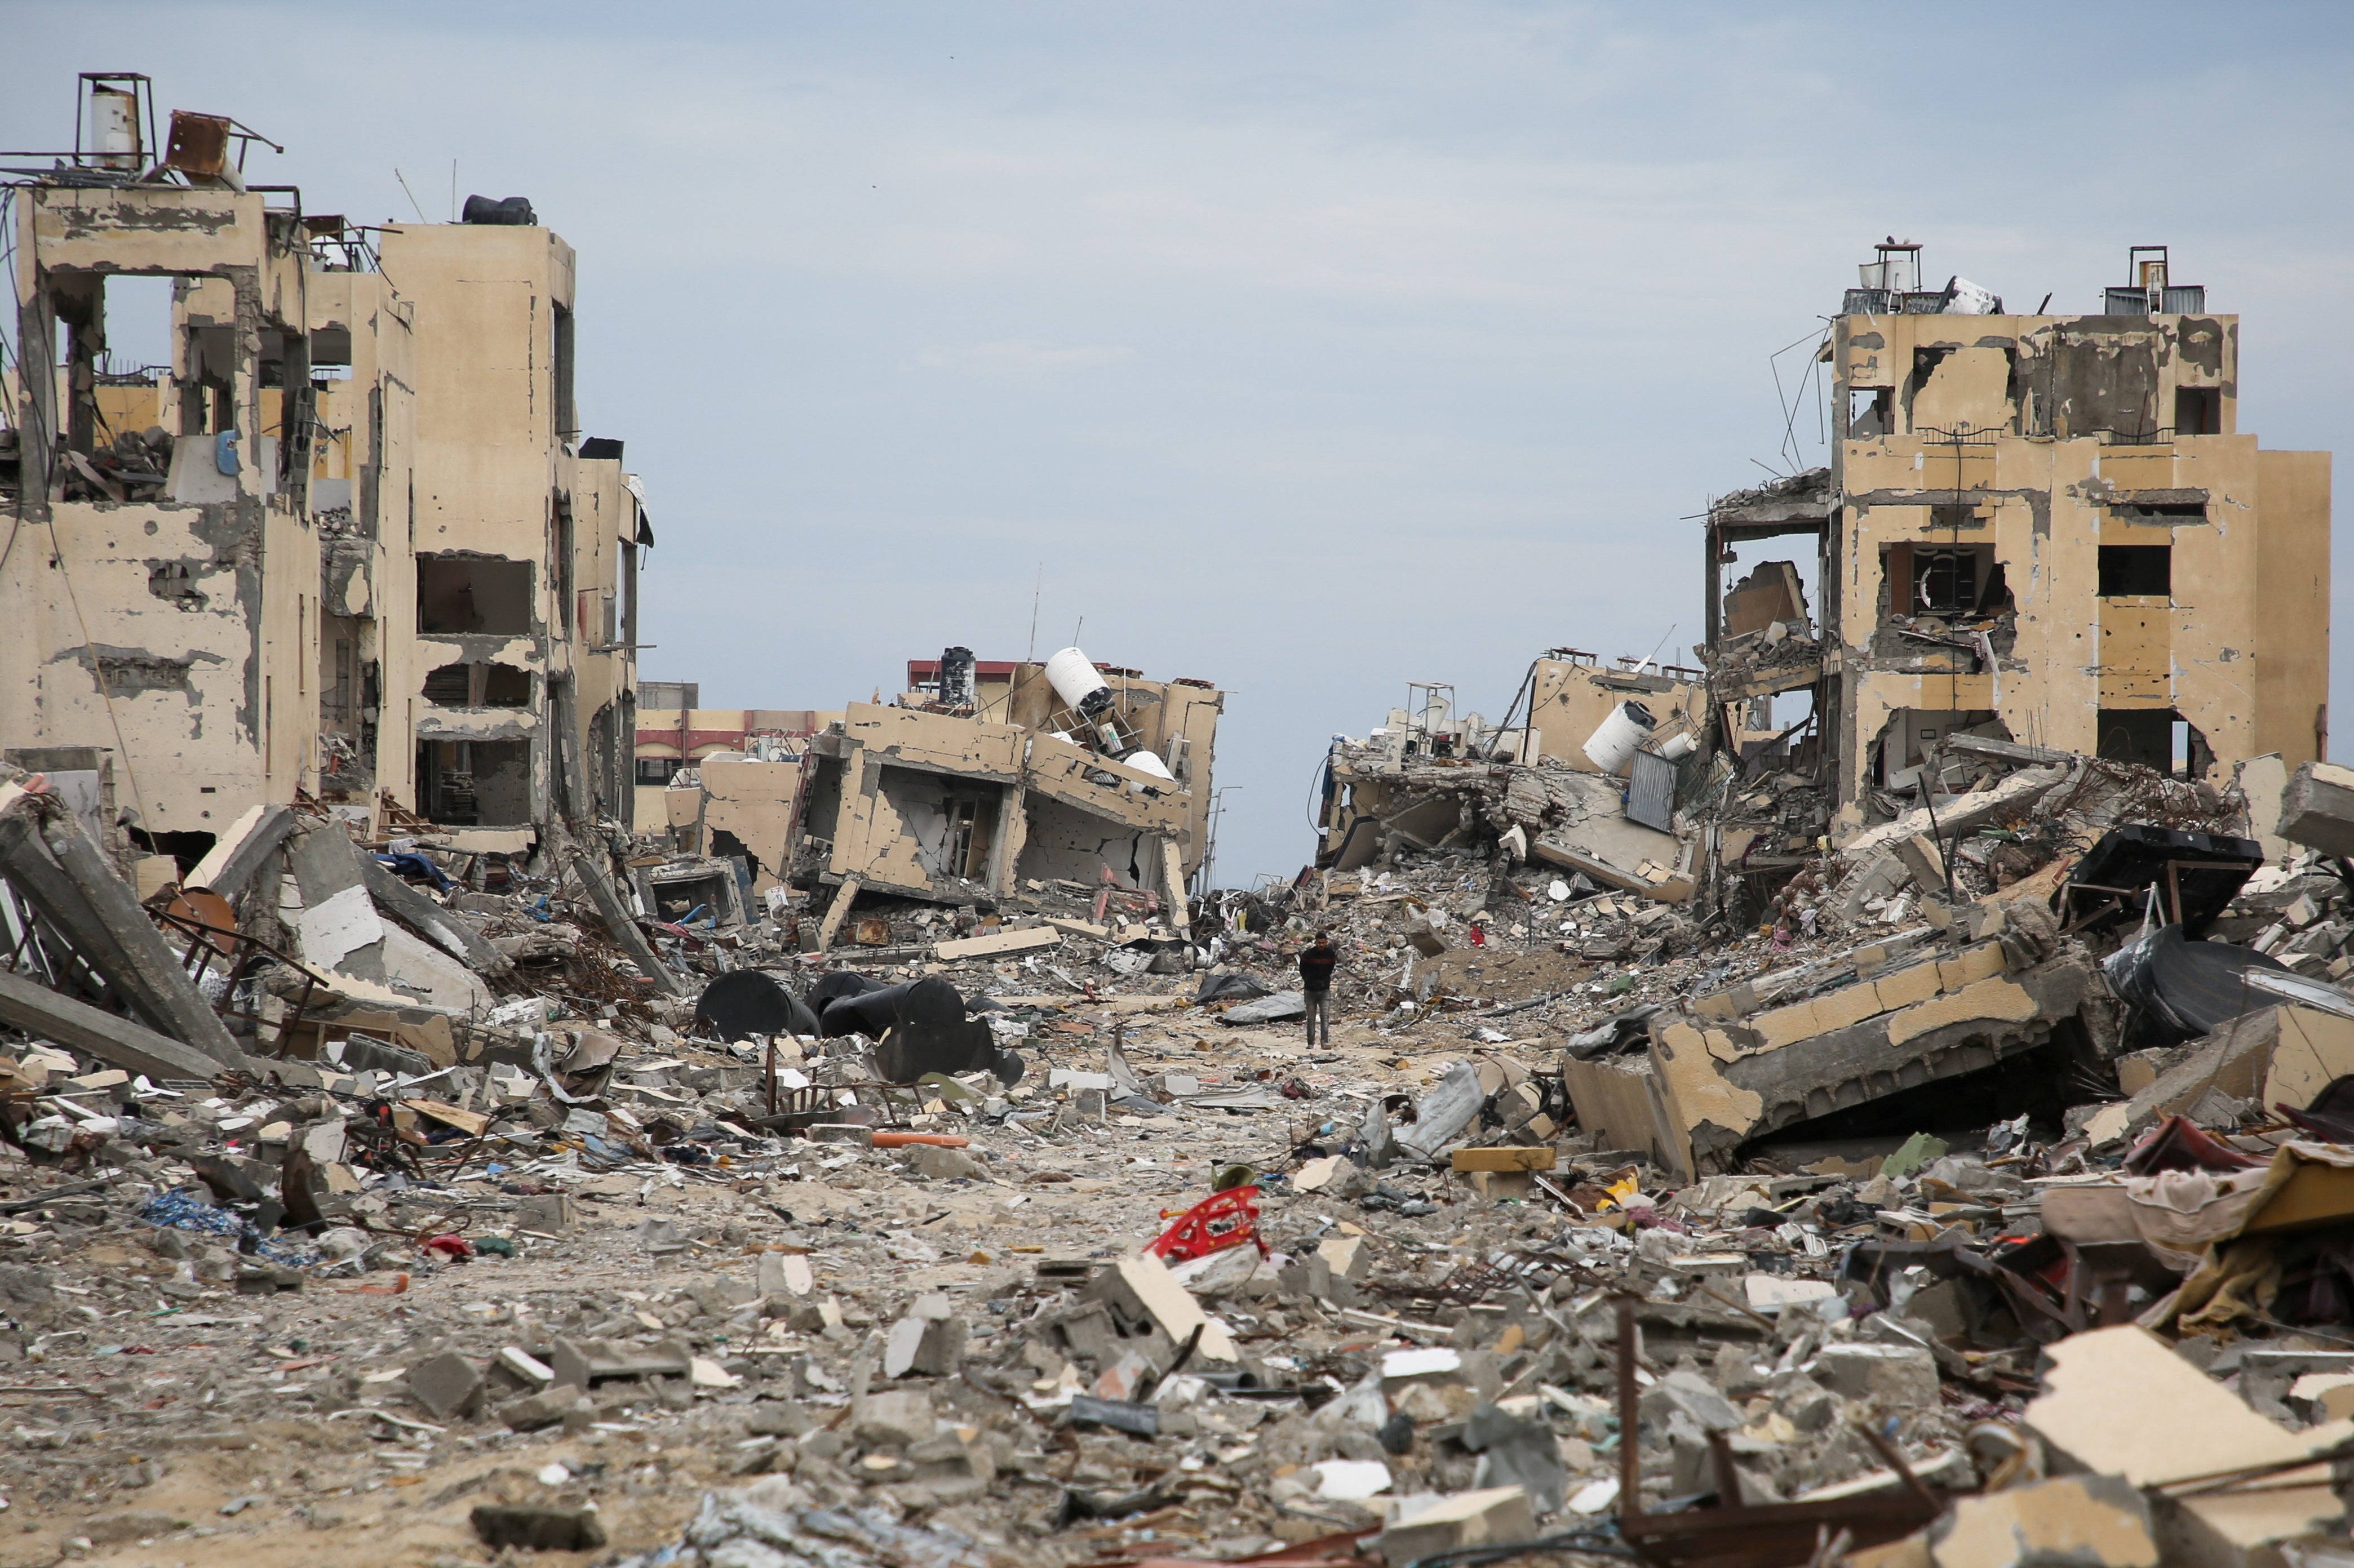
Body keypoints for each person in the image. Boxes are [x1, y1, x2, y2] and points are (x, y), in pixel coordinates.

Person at [1300, 929, 1338, 1047]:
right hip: (1310, 991)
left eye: (1323, 943)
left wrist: (1324, 981)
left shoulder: (1331, 955)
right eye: (1319, 943)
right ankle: (1311, 1043)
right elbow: (1302, 970)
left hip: (1324, 990)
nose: (1321, 945)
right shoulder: (1308, 955)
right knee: (1311, 1018)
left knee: (1325, 1017)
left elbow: (1330, 969)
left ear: (1326, 942)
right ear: (1315, 943)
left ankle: (1324, 1042)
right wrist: (1309, 981)